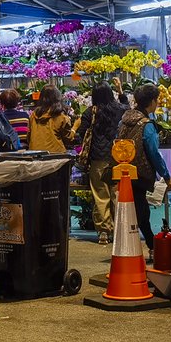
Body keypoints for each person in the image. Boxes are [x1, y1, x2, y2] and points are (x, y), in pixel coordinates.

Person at [117, 84, 171, 249]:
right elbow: (153, 153)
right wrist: (167, 176)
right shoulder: (146, 124)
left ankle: (141, 244)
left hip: (123, 170)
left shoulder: (125, 120)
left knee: (130, 209)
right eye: (156, 100)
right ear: (151, 102)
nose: (157, 104)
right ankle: (151, 244)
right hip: (140, 173)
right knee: (141, 211)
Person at [76, 85, 127, 246]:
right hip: (117, 158)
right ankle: (120, 230)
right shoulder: (120, 110)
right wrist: (122, 93)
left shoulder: (90, 112)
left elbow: (81, 133)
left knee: (100, 195)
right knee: (116, 194)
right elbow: (129, 109)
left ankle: (104, 232)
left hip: (97, 159)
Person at [27, 86, 73, 154]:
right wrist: (75, 127)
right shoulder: (61, 117)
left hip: (35, 155)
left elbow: (28, 137)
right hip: (56, 157)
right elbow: (68, 139)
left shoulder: (33, 116)